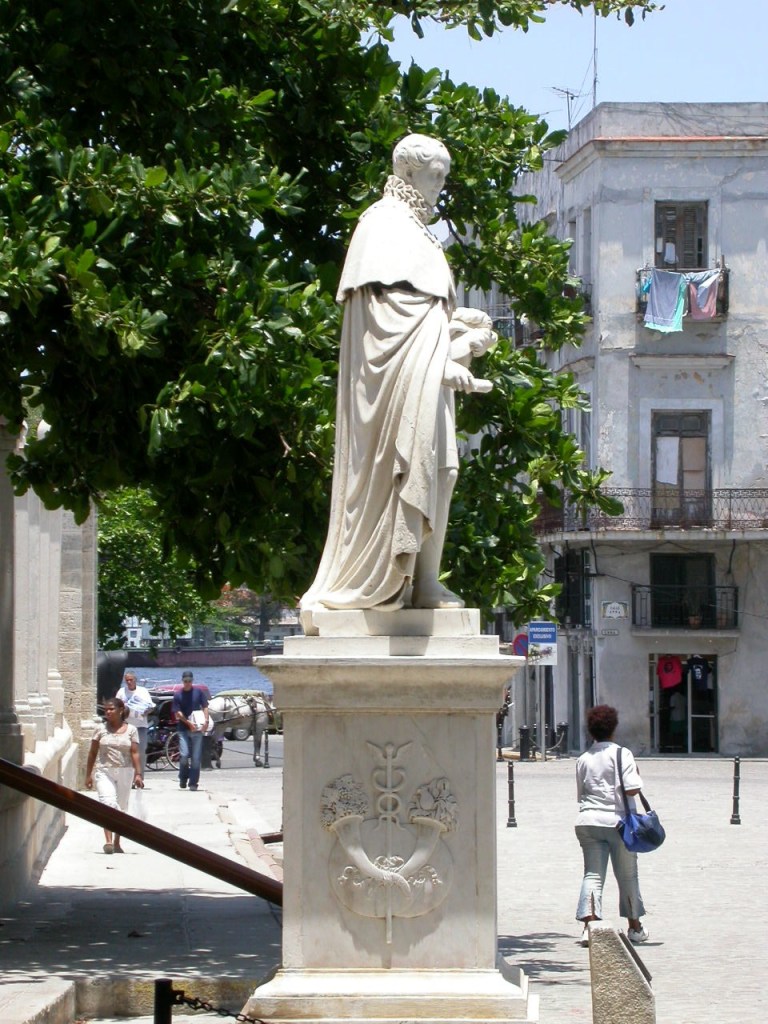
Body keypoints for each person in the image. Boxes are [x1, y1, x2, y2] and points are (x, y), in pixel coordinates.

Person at [300, 133, 496, 627]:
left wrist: (456, 334)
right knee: (419, 470)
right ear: (409, 174)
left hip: (425, 382)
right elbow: (383, 327)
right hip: (397, 390)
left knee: (443, 473)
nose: (442, 186)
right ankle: (397, 578)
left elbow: (421, 312)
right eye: (437, 176)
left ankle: (426, 581)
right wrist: (441, 358)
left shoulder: (416, 229)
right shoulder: (382, 224)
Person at [575, 704, 649, 946]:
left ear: (591, 731)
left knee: (593, 873)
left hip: (588, 821)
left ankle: (589, 926)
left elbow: (581, 793)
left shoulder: (583, 759)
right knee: (627, 875)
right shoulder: (622, 754)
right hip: (618, 822)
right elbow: (632, 788)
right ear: (613, 729)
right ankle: (635, 927)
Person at [85, 697, 144, 854]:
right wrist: (88, 775)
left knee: (122, 807)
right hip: (104, 771)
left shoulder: (131, 730)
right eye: (106, 710)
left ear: (120, 710)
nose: (108, 712)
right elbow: (92, 753)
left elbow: (135, 753)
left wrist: (138, 774)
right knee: (108, 803)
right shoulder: (100, 729)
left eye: (111, 709)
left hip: (126, 771)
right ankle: (108, 841)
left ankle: (117, 842)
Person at [171, 671, 209, 791]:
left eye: (189, 681)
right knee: (184, 755)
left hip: (197, 729)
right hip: (183, 729)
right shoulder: (178, 695)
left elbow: (205, 706)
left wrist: (206, 721)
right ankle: (183, 777)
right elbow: (178, 713)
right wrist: (188, 723)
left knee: (196, 758)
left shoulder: (198, 692)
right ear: (182, 681)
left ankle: (193, 783)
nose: (187, 683)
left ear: (192, 681)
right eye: (185, 681)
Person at [115, 671, 154, 773]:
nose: (129, 682)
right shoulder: (121, 692)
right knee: (126, 751)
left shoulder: (143, 691)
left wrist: (147, 711)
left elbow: (150, 707)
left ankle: (139, 776)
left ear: (135, 680)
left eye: (131, 680)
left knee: (140, 751)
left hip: (141, 726)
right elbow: (115, 708)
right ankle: (129, 775)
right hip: (126, 726)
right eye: (127, 680)